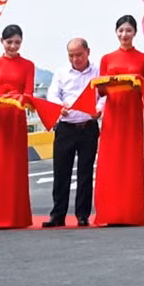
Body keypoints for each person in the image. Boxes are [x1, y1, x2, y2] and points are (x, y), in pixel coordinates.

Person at [92, 14, 144, 227]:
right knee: (110, 163)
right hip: (113, 114)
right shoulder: (107, 59)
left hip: (133, 115)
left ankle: (132, 213)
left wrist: (138, 84)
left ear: (135, 33)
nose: (124, 34)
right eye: (121, 30)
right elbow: (101, 91)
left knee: (131, 162)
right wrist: (106, 84)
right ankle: (109, 213)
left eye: (128, 30)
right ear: (116, 32)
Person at [0, 24, 39, 230]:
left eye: (17, 42)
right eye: (9, 42)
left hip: (16, 120)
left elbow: (29, 94)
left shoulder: (28, 65)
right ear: (2, 42)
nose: (13, 46)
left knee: (15, 168)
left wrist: (18, 98)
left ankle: (16, 217)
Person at [45, 37, 99, 227]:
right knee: (61, 171)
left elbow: (104, 95)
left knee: (85, 172)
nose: (75, 59)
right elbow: (52, 94)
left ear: (88, 52)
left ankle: (82, 214)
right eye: (71, 56)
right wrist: (60, 105)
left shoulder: (98, 71)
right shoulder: (61, 72)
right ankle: (58, 214)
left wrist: (98, 109)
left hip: (88, 126)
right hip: (66, 127)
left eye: (79, 55)